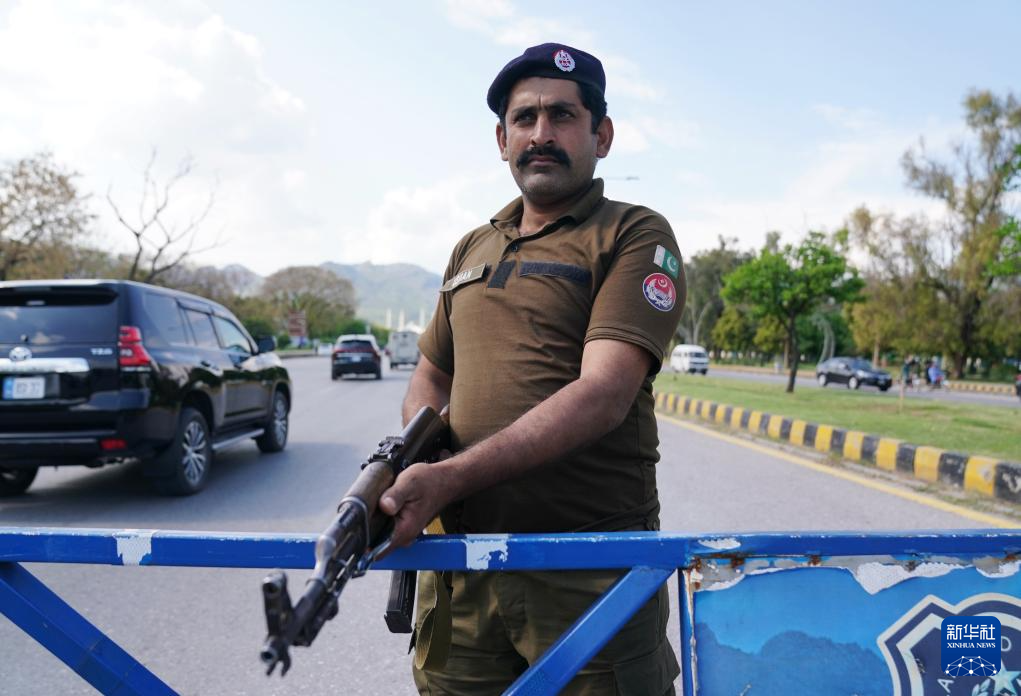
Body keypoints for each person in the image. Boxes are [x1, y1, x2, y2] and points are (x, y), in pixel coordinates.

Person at [378, 43, 685, 695]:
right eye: (524, 118)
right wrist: (419, 449)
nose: (540, 134)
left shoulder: (632, 233)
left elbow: (603, 393)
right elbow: (431, 375)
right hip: (461, 568)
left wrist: (450, 475)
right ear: (502, 139)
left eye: (562, 116)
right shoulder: (472, 246)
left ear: (601, 135)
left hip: (587, 570)